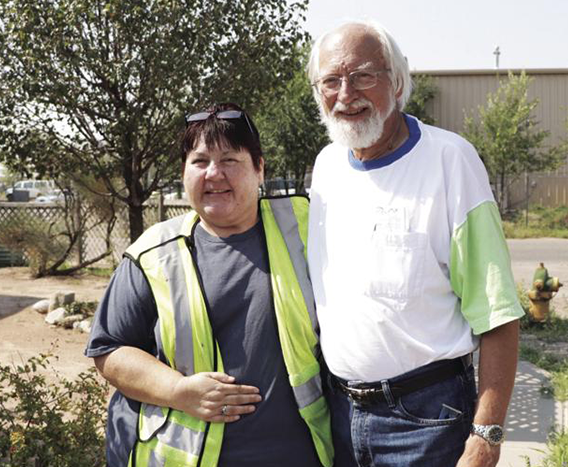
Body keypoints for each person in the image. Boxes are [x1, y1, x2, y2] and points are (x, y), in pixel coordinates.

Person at [306, 20, 525, 467]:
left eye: (364, 75)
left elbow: (497, 313)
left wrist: (486, 435)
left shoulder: (450, 160)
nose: (346, 94)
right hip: (340, 413)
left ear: (398, 81)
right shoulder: (327, 166)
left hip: (427, 420)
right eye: (331, 80)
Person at [85, 103, 333, 467]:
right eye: (200, 161)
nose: (214, 174)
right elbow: (109, 350)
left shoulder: (308, 228)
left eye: (230, 160)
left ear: (259, 168)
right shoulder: (154, 255)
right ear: (184, 172)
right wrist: (179, 391)